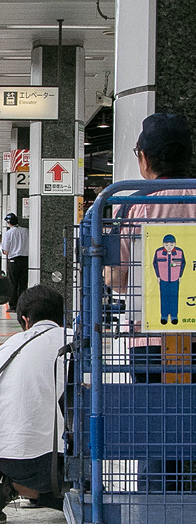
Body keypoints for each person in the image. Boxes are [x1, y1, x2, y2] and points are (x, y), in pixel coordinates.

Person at [106, 112, 196, 383]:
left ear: (144, 158)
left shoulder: (131, 206)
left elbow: (118, 279)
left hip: (148, 336)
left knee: (153, 416)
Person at [0, 285, 68, 524]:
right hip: (36, 463)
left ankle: (13, 484)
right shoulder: (68, 340)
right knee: (85, 495)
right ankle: (17, 486)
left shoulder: (9, 345)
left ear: (25, 320)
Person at [1, 213, 29, 312]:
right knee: (23, 283)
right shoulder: (25, 231)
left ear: (9, 222)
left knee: (13, 283)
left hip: (13, 260)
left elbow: (5, 250)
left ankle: (13, 305)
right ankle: (23, 305)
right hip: (25, 259)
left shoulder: (9, 233)